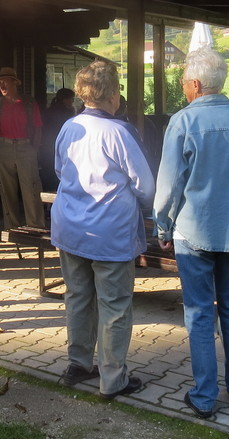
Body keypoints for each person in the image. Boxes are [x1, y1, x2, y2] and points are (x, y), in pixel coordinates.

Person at [153, 47, 229, 420]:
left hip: (193, 231)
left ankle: (204, 397)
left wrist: (162, 225)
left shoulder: (183, 122)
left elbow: (169, 184)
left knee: (200, 313)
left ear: (197, 84)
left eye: (184, 82)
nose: (183, 87)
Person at [51, 60, 155, 399]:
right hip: (110, 232)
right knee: (114, 305)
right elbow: (145, 186)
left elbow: (59, 170)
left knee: (78, 297)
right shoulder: (120, 132)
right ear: (113, 95)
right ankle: (113, 379)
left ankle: (79, 363)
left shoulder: (69, 127)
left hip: (70, 227)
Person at [0, 67, 46, 230]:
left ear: (14, 82)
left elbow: (38, 128)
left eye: (5, 81)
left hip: (25, 147)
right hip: (3, 148)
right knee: (7, 191)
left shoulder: (29, 103)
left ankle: (35, 227)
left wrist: (34, 149)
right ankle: (12, 229)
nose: (2, 85)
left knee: (31, 189)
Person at [39, 88, 77, 191]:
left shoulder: (50, 111)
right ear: (65, 99)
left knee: (49, 173)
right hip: (58, 146)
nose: (72, 101)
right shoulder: (65, 113)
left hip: (48, 146)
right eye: (71, 99)